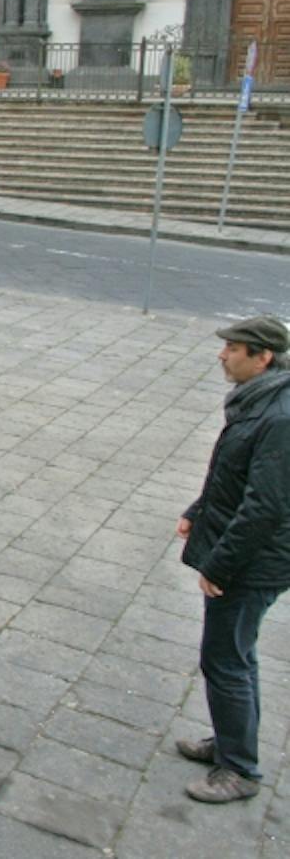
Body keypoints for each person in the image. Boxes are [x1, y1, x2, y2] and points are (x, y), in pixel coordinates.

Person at [175, 315, 290, 804]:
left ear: (262, 357)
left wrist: (219, 566)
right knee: (231, 656)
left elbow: (265, 505)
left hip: (252, 563)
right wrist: (197, 510)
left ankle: (239, 770)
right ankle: (229, 741)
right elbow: (233, 471)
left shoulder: (279, 416)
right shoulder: (261, 401)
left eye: (234, 349)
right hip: (244, 551)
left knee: (226, 661)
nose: (223, 356)